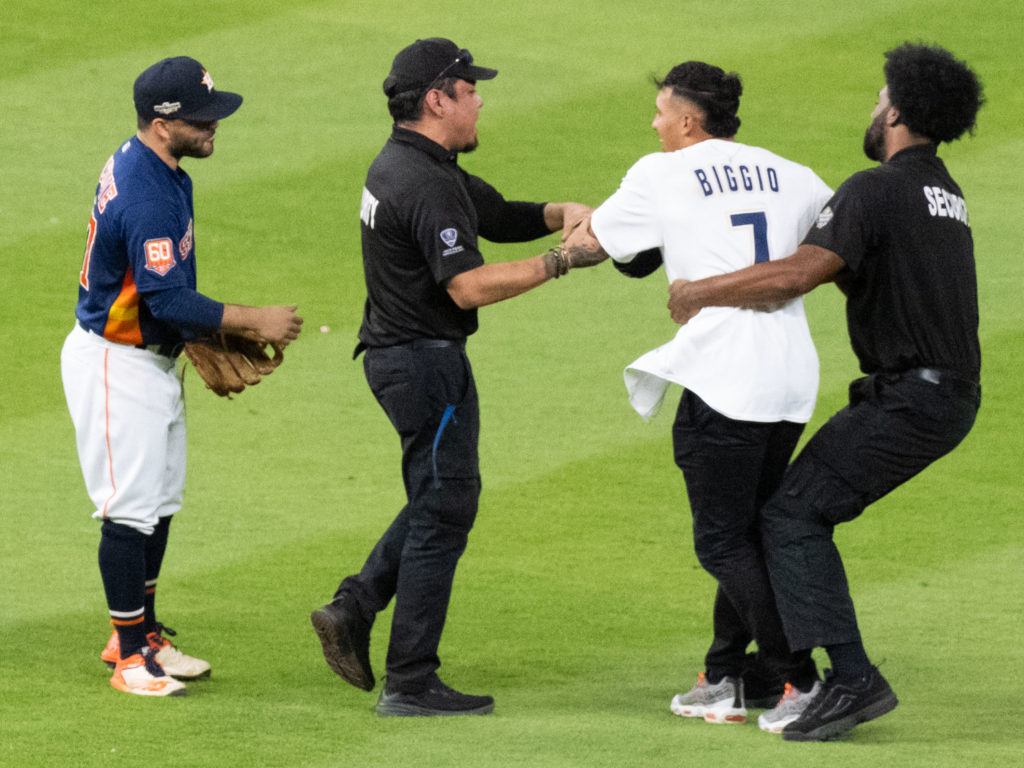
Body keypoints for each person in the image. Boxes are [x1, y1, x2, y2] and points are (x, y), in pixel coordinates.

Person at [666, 42, 984, 741]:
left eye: (879, 99)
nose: (873, 108)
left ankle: (850, 677)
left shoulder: (876, 187)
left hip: (910, 400)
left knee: (790, 516)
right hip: (940, 396)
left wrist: (699, 290)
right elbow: (871, 271)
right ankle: (747, 665)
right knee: (780, 512)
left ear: (897, 111)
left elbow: (795, 275)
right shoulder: (942, 193)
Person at [310, 37, 600, 717]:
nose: (479, 99)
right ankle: (409, 680)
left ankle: (353, 607)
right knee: (445, 507)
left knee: (438, 497)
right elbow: (468, 286)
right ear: (438, 98)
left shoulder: (410, 161)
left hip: (404, 357)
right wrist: (563, 261)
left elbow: (495, 216)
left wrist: (567, 213)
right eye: (470, 89)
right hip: (423, 364)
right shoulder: (424, 181)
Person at [564, 61, 831, 730]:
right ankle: (723, 677)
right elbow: (842, 241)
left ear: (689, 119)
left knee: (720, 541)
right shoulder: (792, 173)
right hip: (791, 376)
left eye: (660, 112)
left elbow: (596, 244)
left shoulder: (661, 172)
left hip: (724, 374)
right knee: (749, 532)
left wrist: (560, 240)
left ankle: (802, 680)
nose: (653, 124)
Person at [61, 56, 304, 697]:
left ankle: (141, 633)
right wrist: (254, 321)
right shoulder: (145, 191)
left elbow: (162, 296)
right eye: (202, 116)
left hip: (149, 360)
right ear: (164, 123)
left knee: (159, 505)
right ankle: (129, 657)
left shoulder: (158, 165)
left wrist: (197, 336)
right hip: (117, 365)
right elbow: (166, 300)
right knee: (129, 511)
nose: (215, 123)